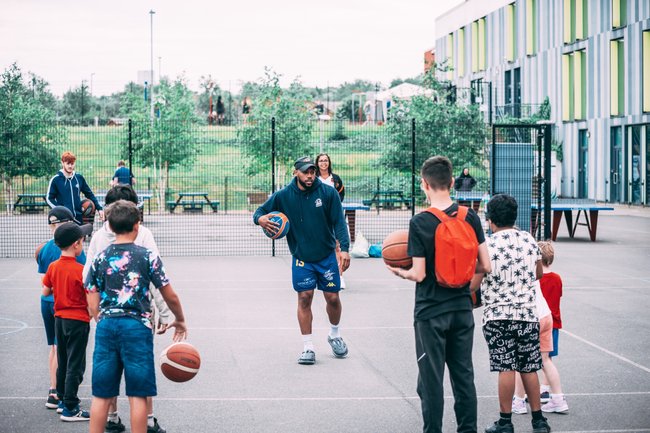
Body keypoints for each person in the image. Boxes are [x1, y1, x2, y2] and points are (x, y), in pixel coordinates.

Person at [386, 155, 491, 433]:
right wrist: (466, 288)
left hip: (430, 312)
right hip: (461, 310)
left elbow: (419, 274)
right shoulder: (470, 216)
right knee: (463, 376)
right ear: (453, 182)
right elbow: (486, 265)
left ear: (424, 184)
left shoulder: (420, 222)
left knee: (431, 380)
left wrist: (399, 272)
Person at [85, 200, 188, 433]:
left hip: (107, 325)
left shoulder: (100, 257)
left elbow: (91, 295)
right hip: (137, 327)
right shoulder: (147, 256)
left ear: (109, 226)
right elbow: (169, 294)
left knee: (101, 393)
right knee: (138, 393)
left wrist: (100, 318)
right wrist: (179, 318)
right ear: (137, 225)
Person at [253, 156, 351, 365]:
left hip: (326, 256)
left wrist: (344, 249)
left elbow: (339, 222)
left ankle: (334, 334)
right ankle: (308, 347)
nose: (310, 175)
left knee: (332, 298)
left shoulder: (328, 192)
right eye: (306, 171)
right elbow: (260, 212)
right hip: (302, 257)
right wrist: (260, 219)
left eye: (312, 171)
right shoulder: (283, 196)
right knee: (304, 298)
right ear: (295, 172)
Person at [470, 193, 551, 433]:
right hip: (527, 314)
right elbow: (538, 274)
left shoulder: (487, 245)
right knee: (529, 366)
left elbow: (474, 283)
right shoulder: (528, 240)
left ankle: (505, 422)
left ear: (490, 219)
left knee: (506, 367)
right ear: (515, 217)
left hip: (497, 316)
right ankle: (539, 421)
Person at [37, 207, 88, 411]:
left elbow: (44, 290)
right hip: (74, 314)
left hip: (52, 310)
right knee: (74, 360)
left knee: (57, 350)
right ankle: (68, 402)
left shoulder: (46, 253)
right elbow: (87, 289)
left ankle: (55, 394)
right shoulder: (79, 262)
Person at [536, 241, 568, 413]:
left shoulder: (538, 279)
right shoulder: (557, 278)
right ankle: (545, 388)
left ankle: (540, 390)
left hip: (540, 319)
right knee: (547, 358)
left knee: (540, 359)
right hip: (554, 321)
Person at [316, 153, 347, 288]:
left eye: (325, 160)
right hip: (318, 219)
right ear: (317, 163)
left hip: (332, 218)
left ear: (329, 163)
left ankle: (339, 276)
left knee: (336, 246)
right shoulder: (314, 179)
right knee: (319, 248)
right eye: (321, 161)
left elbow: (341, 196)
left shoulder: (335, 179)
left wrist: (332, 208)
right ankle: (319, 276)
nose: (323, 163)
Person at [47, 151, 104, 225]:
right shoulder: (56, 180)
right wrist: (61, 211)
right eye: (68, 163)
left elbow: (90, 194)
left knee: (80, 236)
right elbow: (49, 199)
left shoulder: (79, 178)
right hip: (63, 220)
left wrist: (99, 208)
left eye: (72, 163)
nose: (70, 166)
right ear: (62, 163)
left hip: (78, 219)